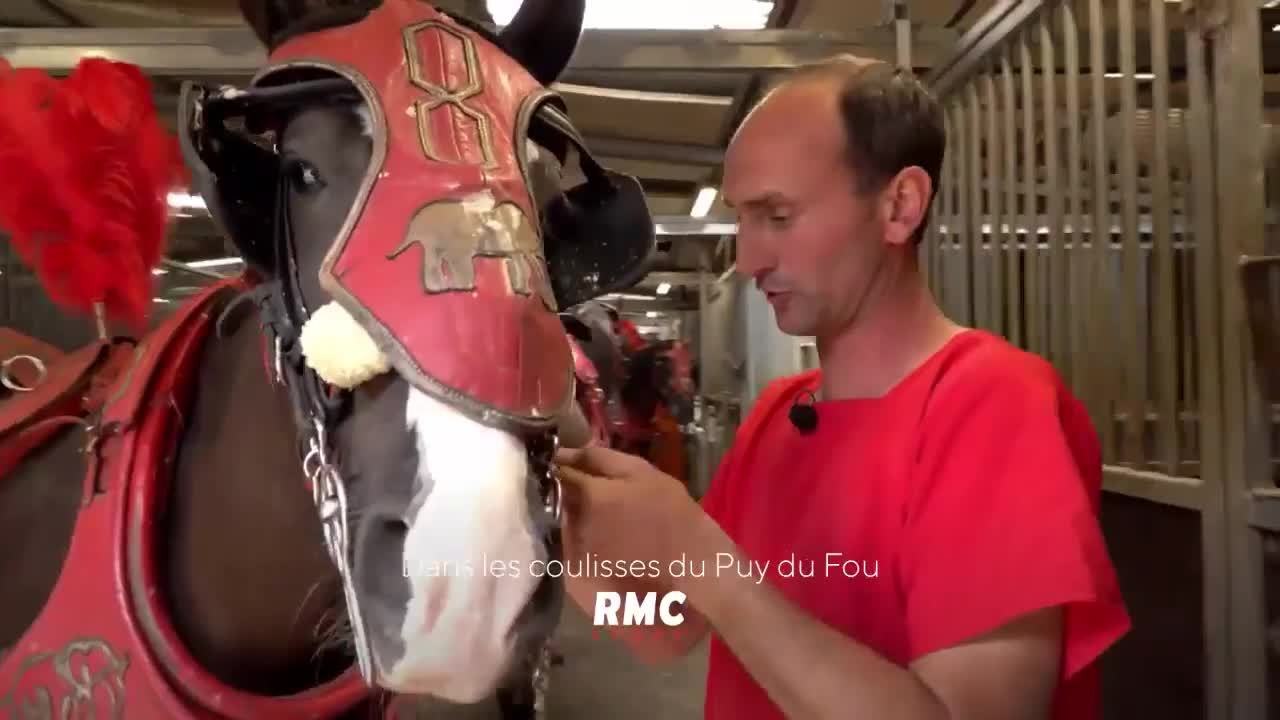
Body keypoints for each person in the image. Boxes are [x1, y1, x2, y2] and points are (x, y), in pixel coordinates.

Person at [553, 55, 1130, 720]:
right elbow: (668, 623)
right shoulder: (778, 414)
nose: (748, 259)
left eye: (778, 214)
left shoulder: (994, 403)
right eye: (743, 217)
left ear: (899, 206)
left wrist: (696, 551)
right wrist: (554, 516)